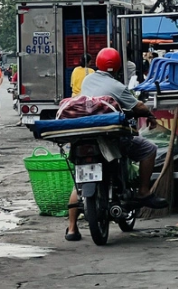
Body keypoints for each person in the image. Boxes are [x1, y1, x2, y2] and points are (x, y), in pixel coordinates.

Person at [65, 47, 167, 241]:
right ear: (119, 67)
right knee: (149, 148)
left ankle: (71, 229)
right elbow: (139, 107)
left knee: (79, 181)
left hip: (84, 137)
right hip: (110, 138)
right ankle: (144, 191)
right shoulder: (118, 87)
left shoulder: (88, 79)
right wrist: (150, 115)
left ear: (97, 65)